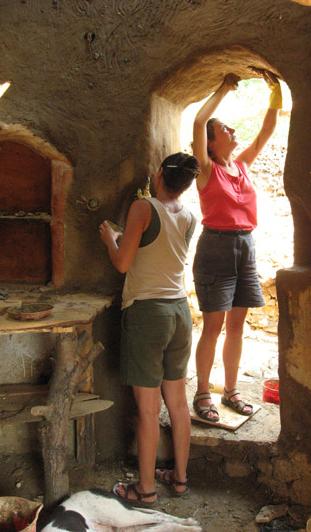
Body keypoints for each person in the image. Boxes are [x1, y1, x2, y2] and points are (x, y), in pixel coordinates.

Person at [99, 152, 200, 507]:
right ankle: (179, 479)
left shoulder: (143, 208)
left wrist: (110, 238)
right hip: (179, 312)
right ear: (187, 184)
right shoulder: (190, 216)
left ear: (159, 175)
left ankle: (145, 490)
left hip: (147, 314)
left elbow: (122, 262)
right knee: (178, 403)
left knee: (147, 409)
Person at [192, 71, 282, 423]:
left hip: (246, 247)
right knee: (213, 327)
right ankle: (203, 392)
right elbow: (199, 121)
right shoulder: (205, 169)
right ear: (211, 144)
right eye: (223, 129)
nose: (231, 130)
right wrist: (225, 88)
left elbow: (266, 132)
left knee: (237, 327)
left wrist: (275, 91)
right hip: (216, 248)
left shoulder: (241, 166)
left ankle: (231, 391)